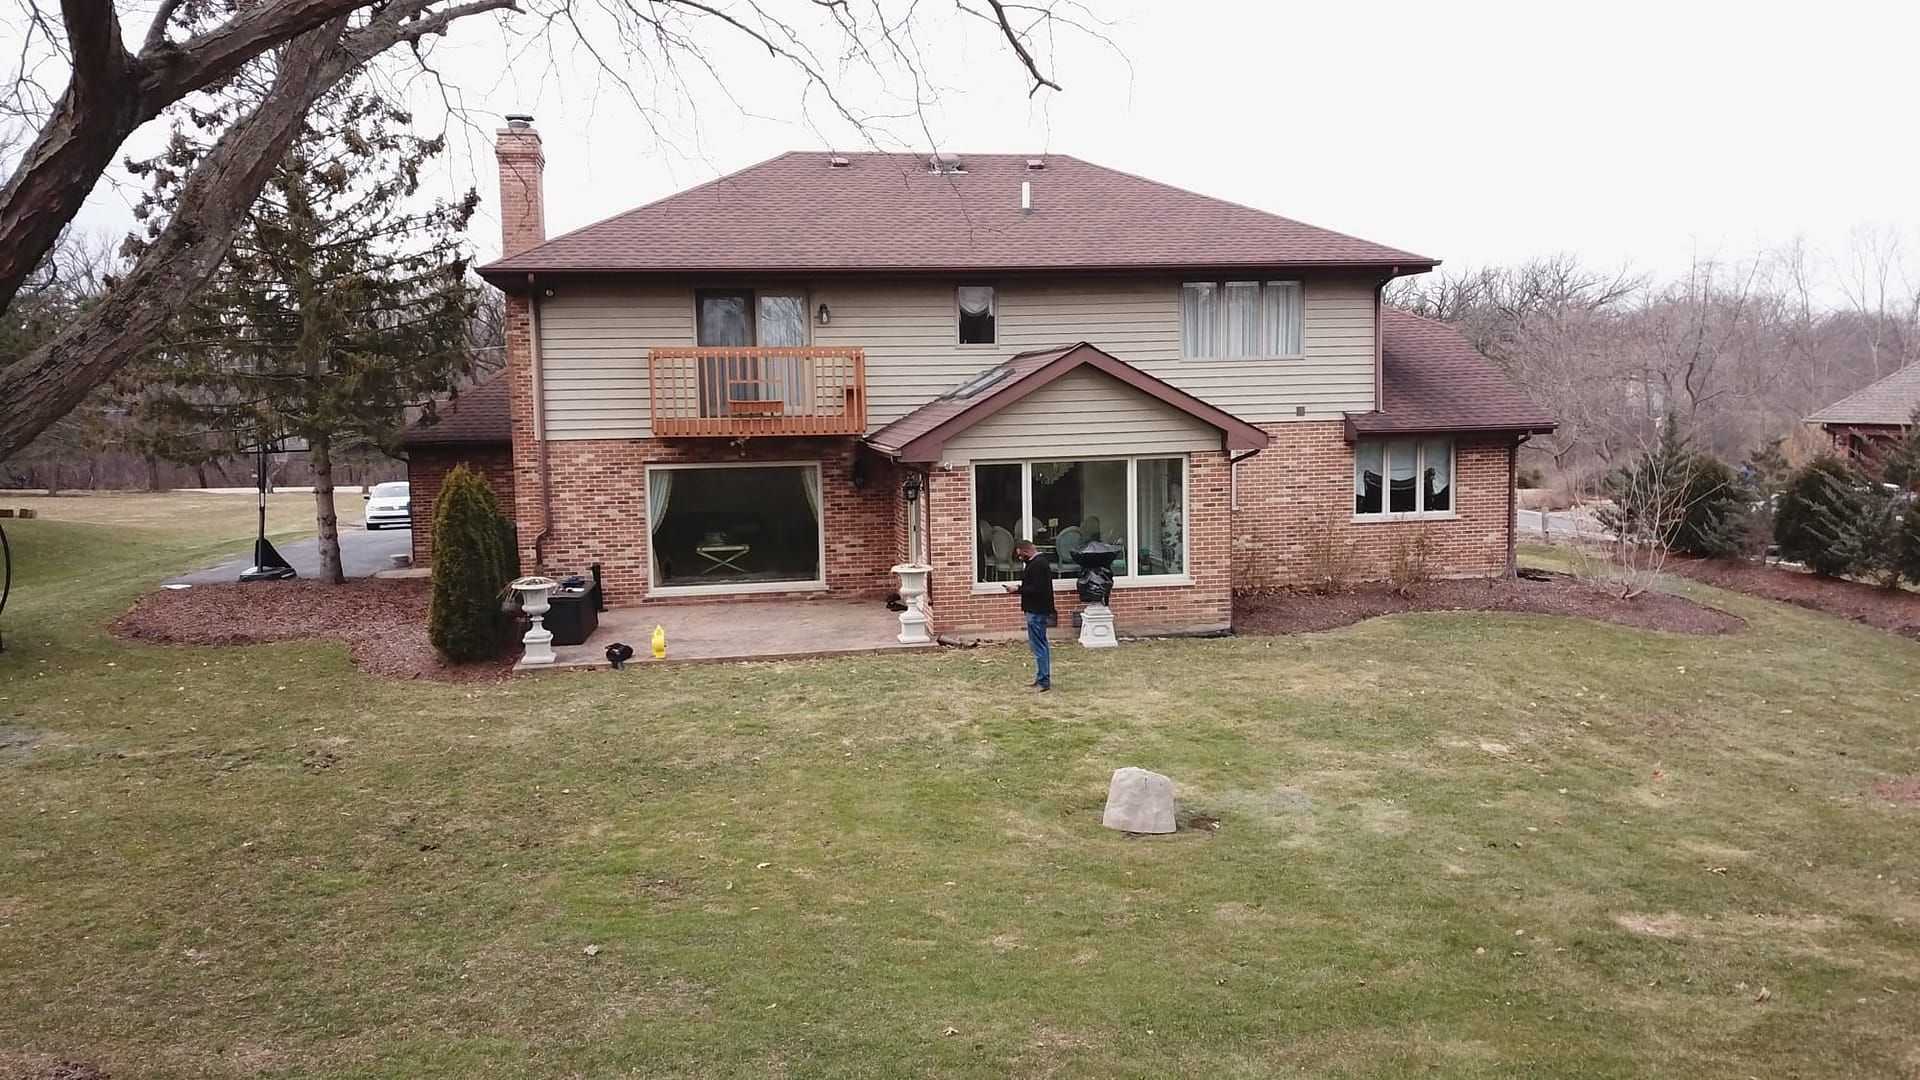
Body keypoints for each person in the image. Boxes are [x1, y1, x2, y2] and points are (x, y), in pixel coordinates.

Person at [1003, 538, 1054, 693]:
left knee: (1038, 646)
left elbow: (1037, 589)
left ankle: (1043, 681)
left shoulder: (1037, 565)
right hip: (1037, 610)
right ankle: (1041, 678)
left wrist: (1017, 589)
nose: (1020, 558)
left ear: (1026, 551)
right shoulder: (1039, 563)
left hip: (1037, 611)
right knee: (1039, 645)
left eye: (1020, 555)